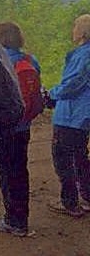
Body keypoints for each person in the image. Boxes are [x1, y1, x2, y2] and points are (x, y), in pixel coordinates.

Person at [0, 21, 41, 236]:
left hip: (4, 127)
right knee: (20, 171)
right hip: (24, 125)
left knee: (5, 171)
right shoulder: (30, 60)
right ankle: (22, 218)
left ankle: (13, 220)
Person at [47, 13, 90, 217]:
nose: (73, 30)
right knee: (81, 157)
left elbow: (73, 84)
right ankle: (86, 196)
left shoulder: (83, 55)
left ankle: (70, 203)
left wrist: (51, 94)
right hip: (82, 115)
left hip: (72, 115)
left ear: (83, 32)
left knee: (63, 158)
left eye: (75, 26)